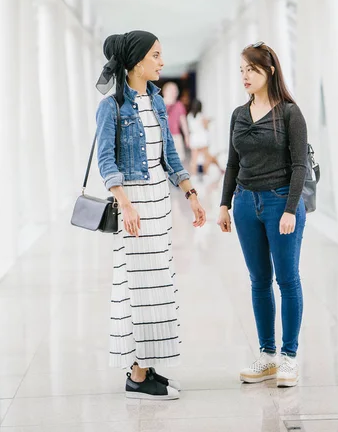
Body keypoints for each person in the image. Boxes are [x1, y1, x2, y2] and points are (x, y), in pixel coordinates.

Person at [96, 30, 206, 401]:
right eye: (156, 55)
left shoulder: (156, 102)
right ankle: (137, 376)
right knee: (136, 288)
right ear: (137, 61)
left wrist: (190, 192)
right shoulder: (111, 107)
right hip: (134, 204)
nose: (162, 62)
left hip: (158, 200)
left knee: (156, 286)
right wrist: (125, 203)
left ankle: (143, 366)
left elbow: (169, 155)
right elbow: (106, 162)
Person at [217, 41, 307, 388]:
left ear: (268, 71)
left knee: (287, 280)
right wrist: (225, 204)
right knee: (258, 281)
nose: (244, 76)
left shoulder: (289, 113)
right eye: (241, 70)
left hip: (281, 201)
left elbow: (299, 165)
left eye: (250, 70)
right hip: (245, 205)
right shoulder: (239, 115)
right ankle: (267, 355)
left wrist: (289, 210)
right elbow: (232, 162)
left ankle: (289, 357)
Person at [187, 99, 224, 177]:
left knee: (194, 159)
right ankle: (206, 173)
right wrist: (208, 122)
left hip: (194, 138)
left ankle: (193, 175)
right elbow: (205, 127)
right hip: (202, 138)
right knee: (206, 157)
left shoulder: (189, 116)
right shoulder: (201, 115)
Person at [162, 82, 190, 161]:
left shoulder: (179, 105)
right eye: (171, 90)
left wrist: (187, 136)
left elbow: (183, 122)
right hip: (162, 136)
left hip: (176, 136)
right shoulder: (159, 103)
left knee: (178, 159)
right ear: (165, 91)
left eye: (175, 91)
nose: (173, 93)